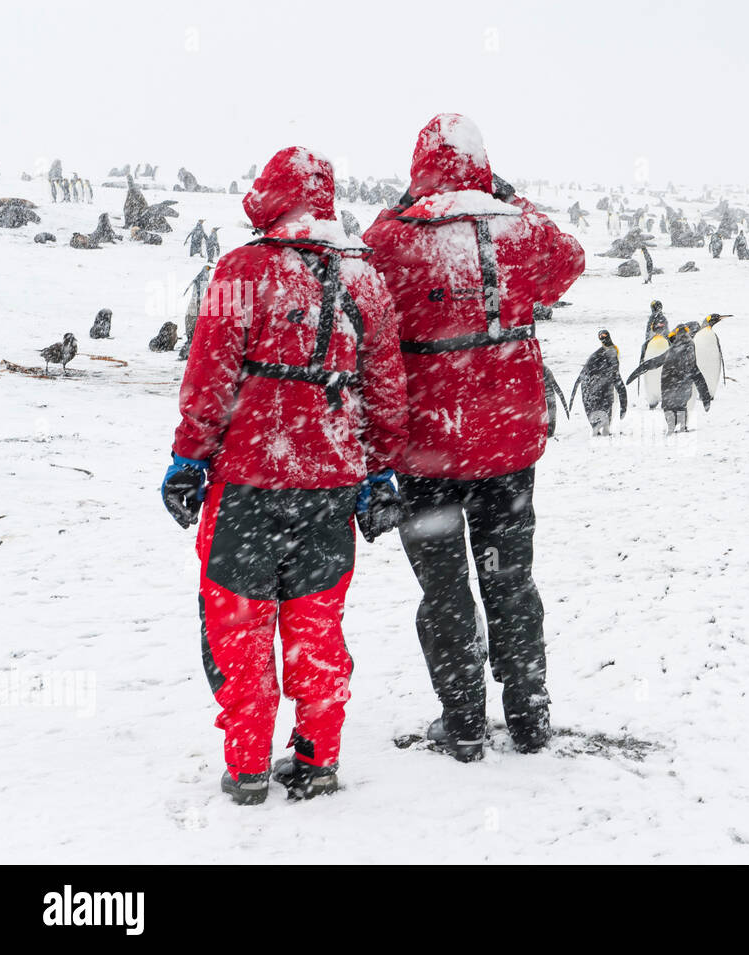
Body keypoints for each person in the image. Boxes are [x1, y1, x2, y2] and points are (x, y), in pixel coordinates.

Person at [161, 146, 408, 804]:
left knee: (240, 629)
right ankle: (317, 759)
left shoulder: (243, 269)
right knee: (316, 628)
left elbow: (209, 377)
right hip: (330, 487)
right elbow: (385, 389)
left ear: (269, 195)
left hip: (246, 483)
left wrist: (189, 457)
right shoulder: (365, 281)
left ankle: (246, 768)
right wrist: (377, 470)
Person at [363, 113, 584, 762]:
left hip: (428, 452)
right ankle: (529, 714)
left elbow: (367, 291)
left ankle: (462, 722)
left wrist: (402, 208)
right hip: (509, 451)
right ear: (484, 165)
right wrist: (513, 201)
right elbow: (567, 260)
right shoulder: (520, 230)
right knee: (510, 579)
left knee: (446, 586)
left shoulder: (396, 239)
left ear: (419, 165)